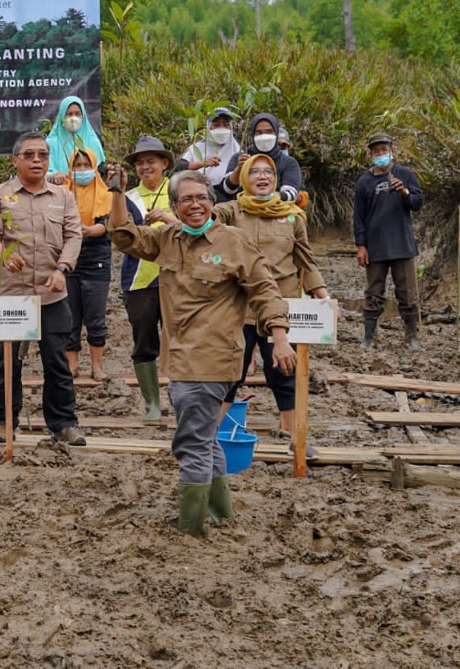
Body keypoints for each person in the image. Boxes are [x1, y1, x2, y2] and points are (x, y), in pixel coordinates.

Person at [109, 167, 295, 537]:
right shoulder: (168, 239)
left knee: (191, 441)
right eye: (186, 200)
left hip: (214, 359)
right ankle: (220, 514)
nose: (194, 205)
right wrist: (116, 194)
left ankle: (191, 526)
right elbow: (124, 236)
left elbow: (264, 289)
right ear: (174, 207)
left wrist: (280, 336)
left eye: (201, 198)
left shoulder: (234, 242)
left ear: (212, 202)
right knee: (205, 437)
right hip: (179, 358)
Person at [213, 153, 329, 455]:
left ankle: (295, 438)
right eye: (255, 172)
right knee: (230, 373)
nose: (262, 177)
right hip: (241, 307)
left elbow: (306, 260)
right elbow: (207, 219)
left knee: (284, 373)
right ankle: (208, 437)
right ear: (246, 177)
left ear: (276, 178)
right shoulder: (232, 211)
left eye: (268, 172)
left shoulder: (292, 216)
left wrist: (325, 299)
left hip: (281, 306)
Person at [0, 132, 85, 445]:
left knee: (56, 360)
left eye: (42, 154)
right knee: (8, 362)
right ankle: (4, 422)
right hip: (12, 295)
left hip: (52, 295)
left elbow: (74, 236)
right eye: (29, 155)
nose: (36, 160)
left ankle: (63, 423)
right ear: (15, 160)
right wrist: (5, 254)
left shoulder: (63, 196)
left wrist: (63, 269)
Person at [119, 135, 175, 426]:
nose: (145, 167)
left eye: (151, 161)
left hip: (178, 278)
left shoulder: (179, 191)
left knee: (179, 339)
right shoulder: (128, 197)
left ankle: (181, 398)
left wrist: (167, 218)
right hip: (140, 279)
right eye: (140, 163)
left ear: (164, 163)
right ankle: (152, 403)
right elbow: (121, 235)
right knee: (144, 340)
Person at [353, 132, 423, 349]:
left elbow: (417, 202)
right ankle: (369, 337)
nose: (380, 154)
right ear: (370, 154)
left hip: (402, 244)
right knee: (373, 292)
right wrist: (361, 246)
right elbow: (358, 217)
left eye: (384, 150)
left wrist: (404, 193)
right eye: (376, 151)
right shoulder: (364, 182)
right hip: (375, 247)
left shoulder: (405, 174)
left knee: (408, 293)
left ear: (392, 151)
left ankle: (411, 337)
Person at [60, 147, 112, 381]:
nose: (81, 170)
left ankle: (96, 366)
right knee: (69, 315)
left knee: (95, 315)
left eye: (86, 165)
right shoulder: (60, 193)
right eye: (77, 166)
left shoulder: (106, 193)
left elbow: (106, 224)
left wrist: (88, 230)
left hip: (96, 258)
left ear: (94, 167)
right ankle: (72, 366)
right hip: (67, 258)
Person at [217, 112, 303, 203]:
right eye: (259, 133)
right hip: (243, 212)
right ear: (253, 135)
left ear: (276, 133)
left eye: (269, 132)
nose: (264, 136)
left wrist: (265, 198)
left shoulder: (288, 162)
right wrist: (239, 169)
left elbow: (291, 194)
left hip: (275, 213)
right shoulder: (240, 158)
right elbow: (227, 190)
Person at [176, 106, 240, 194]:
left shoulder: (238, 151)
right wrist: (202, 163)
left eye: (226, 125)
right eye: (216, 125)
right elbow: (178, 167)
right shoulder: (197, 148)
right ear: (209, 127)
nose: (221, 129)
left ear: (231, 127)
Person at [45, 96, 105, 184]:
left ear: (83, 116)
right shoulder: (51, 143)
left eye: (77, 114)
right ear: (62, 116)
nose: (73, 118)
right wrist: (54, 175)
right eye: (69, 114)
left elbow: (100, 171)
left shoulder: (92, 140)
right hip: (59, 192)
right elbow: (42, 172)